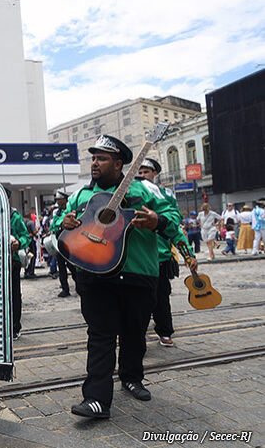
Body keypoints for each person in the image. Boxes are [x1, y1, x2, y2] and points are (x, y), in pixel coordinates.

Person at [60, 135, 190, 419]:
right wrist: (64, 223)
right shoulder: (82, 194)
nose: (94, 163)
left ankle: (132, 377)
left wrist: (158, 221)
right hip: (95, 274)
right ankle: (96, 399)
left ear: (119, 164)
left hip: (138, 273)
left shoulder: (146, 188)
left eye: (102, 158)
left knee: (134, 333)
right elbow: (63, 223)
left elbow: (174, 217)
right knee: (100, 336)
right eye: (93, 157)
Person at [137, 158, 196, 347]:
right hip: (137, 257)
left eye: (146, 171)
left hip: (160, 257)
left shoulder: (165, 195)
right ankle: (136, 335)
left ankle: (164, 331)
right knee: (136, 302)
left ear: (155, 173)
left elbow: (175, 227)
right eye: (140, 171)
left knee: (161, 298)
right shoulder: (131, 192)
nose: (142, 175)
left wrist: (189, 255)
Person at [8, 190, 31, 340]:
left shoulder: (14, 216)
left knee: (14, 294)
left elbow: (25, 236)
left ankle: (15, 327)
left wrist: (18, 243)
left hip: (13, 261)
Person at [48, 191, 74, 297]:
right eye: (57, 200)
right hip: (60, 242)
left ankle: (79, 284)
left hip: (70, 242)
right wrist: (58, 226)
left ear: (65, 199)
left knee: (73, 266)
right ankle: (65, 288)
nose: (57, 202)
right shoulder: (57, 213)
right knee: (61, 268)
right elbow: (53, 226)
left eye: (59, 199)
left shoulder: (69, 209)